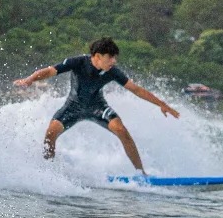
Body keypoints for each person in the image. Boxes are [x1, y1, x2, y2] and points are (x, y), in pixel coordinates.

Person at [14, 37, 180, 174]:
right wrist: (30, 79)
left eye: (115, 58)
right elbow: (50, 71)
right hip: (73, 106)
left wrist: (162, 104)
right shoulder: (78, 62)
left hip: (97, 106)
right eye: (110, 57)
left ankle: (141, 173)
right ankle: (48, 172)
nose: (114, 61)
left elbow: (135, 89)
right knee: (50, 134)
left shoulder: (113, 71)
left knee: (122, 130)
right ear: (98, 56)